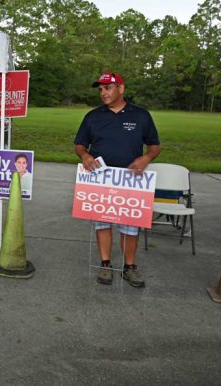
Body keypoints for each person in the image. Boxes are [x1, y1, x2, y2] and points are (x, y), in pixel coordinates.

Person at [74, 72, 161, 288]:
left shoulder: (141, 115)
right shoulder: (93, 116)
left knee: (130, 226)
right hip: (100, 178)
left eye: (108, 88)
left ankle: (129, 267)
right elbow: (80, 144)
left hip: (131, 180)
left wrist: (146, 158)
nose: (103, 92)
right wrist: (85, 155)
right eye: (101, 89)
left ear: (121, 89)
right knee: (102, 223)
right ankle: (105, 264)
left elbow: (155, 145)